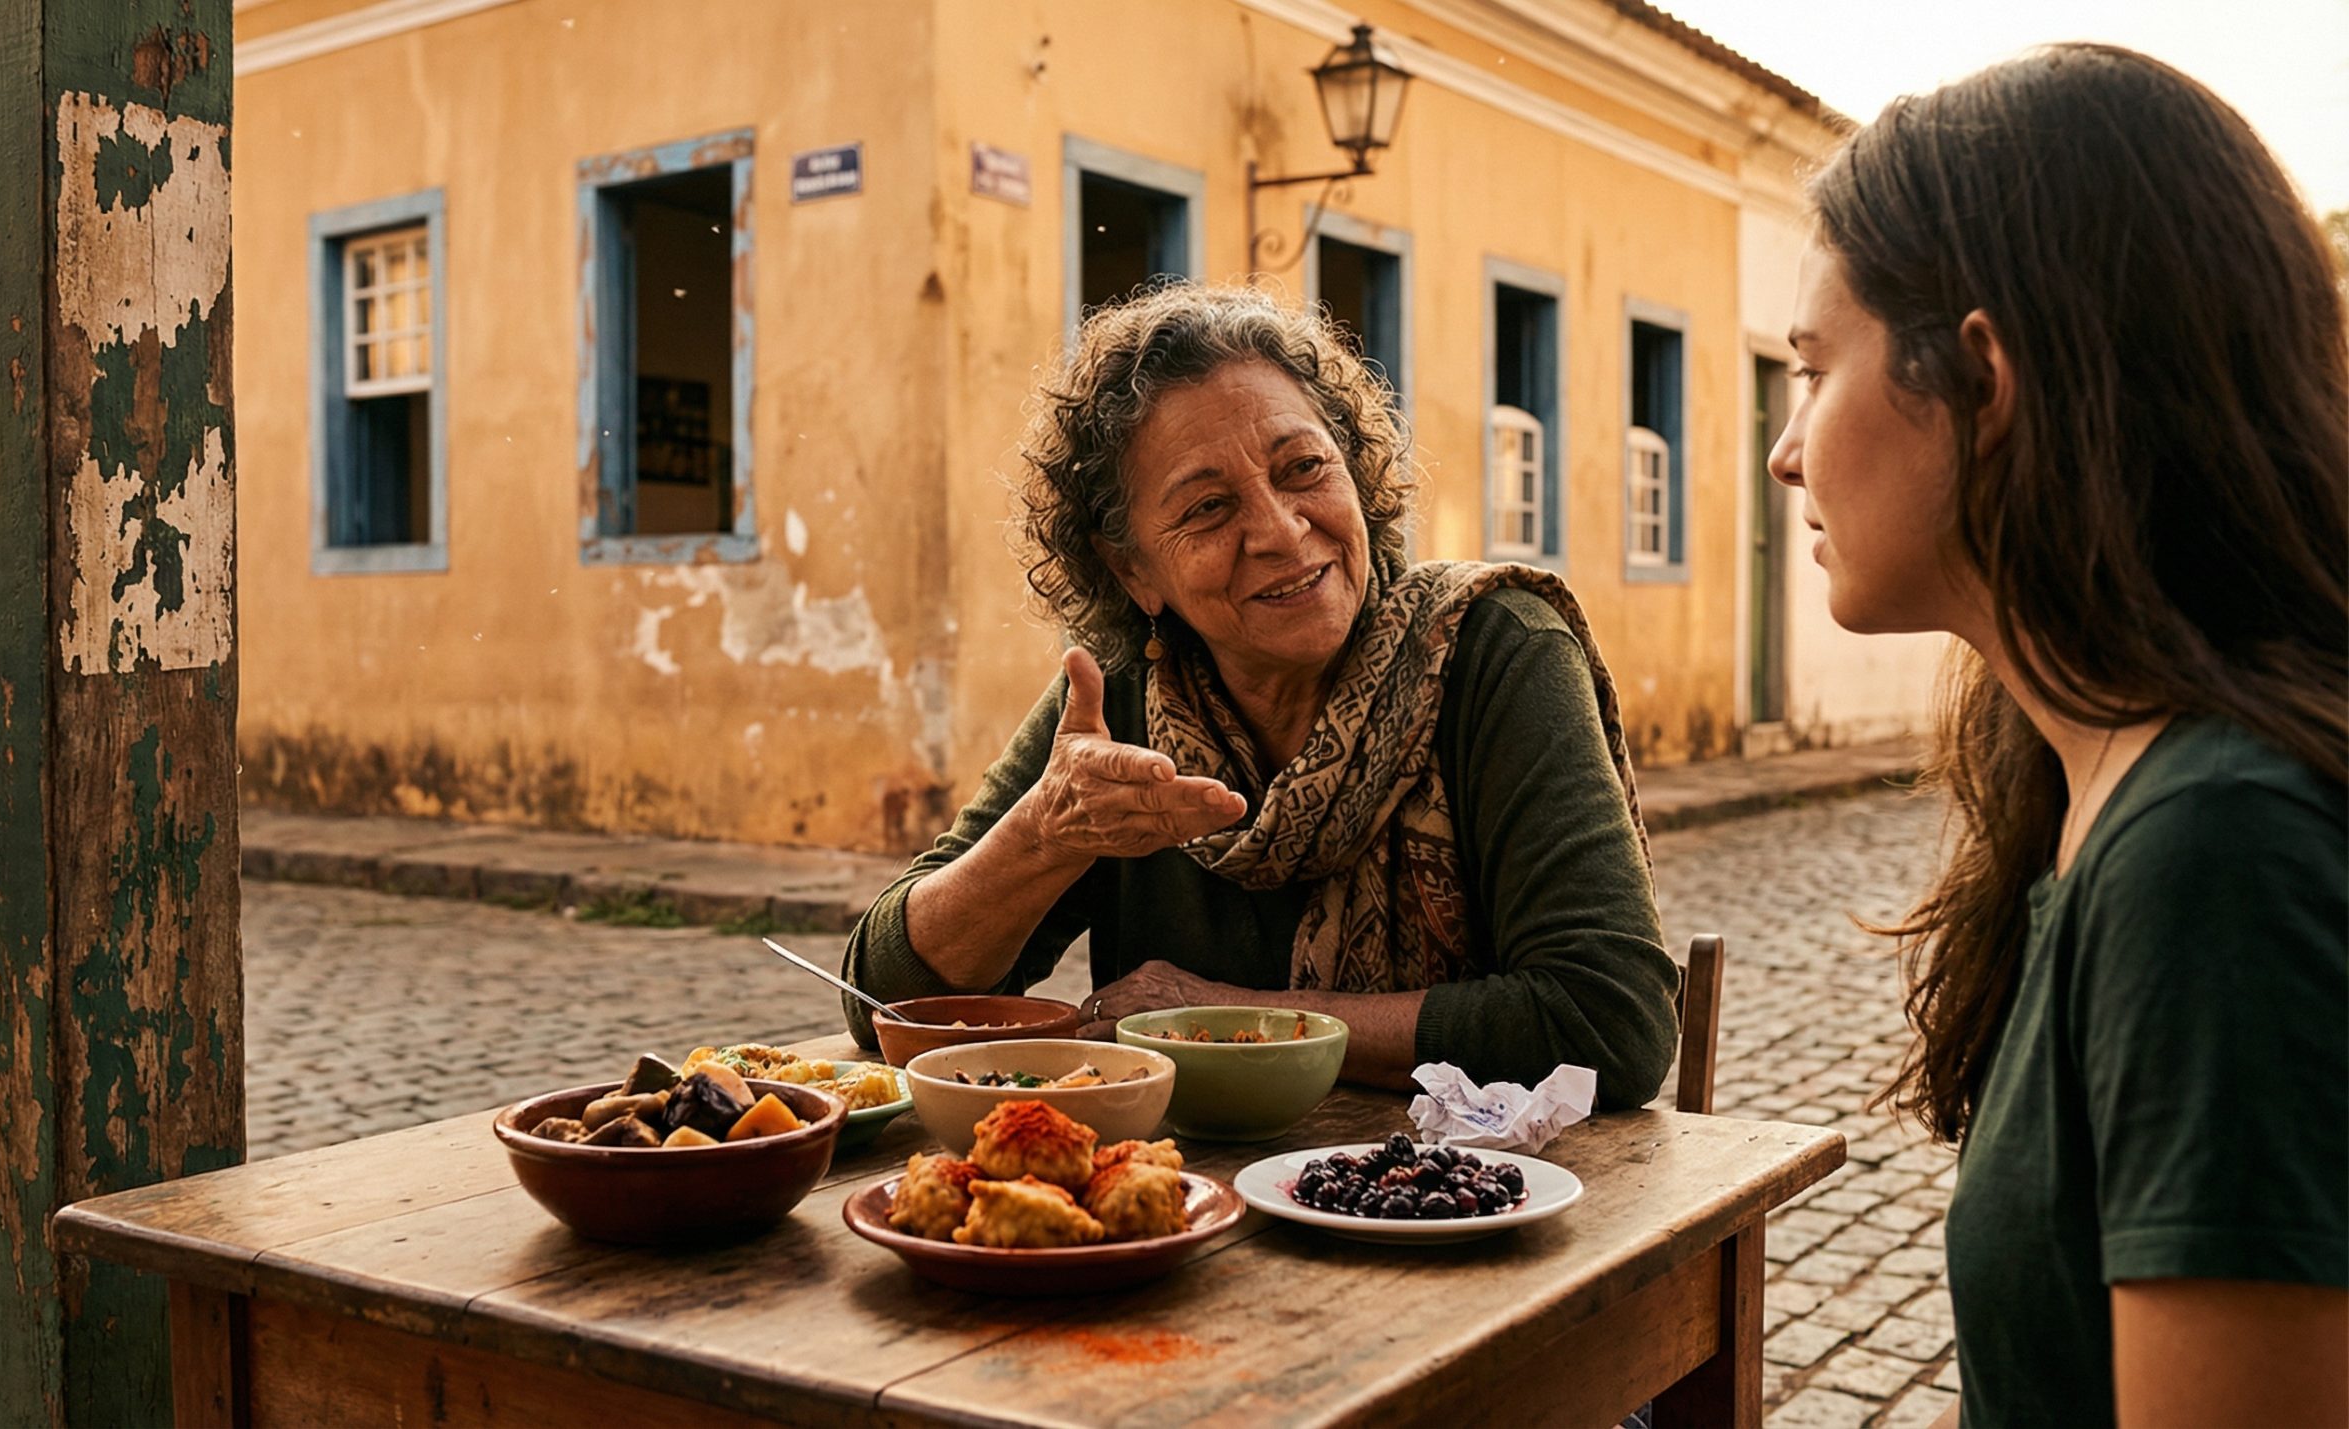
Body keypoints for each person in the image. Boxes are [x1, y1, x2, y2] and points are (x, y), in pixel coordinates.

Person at [1768, 43, 2347, 1428]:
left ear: (1982, 377)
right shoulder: (2097, 781)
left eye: (1812, 370)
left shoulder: (2219, 852)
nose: (1789, 450)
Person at [840, 283, 1677, 1107]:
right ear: (1134, 570)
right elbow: (879, 1000)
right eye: (1208, 508)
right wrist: (1042, 836)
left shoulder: (1495, 653)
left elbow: (1609, 1022)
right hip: (1186, 1210)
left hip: (1472, 1212)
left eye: (1304, 466)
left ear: (1355, 470)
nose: (1280, 530)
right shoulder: (1124, 700)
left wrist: (1220, 1020)